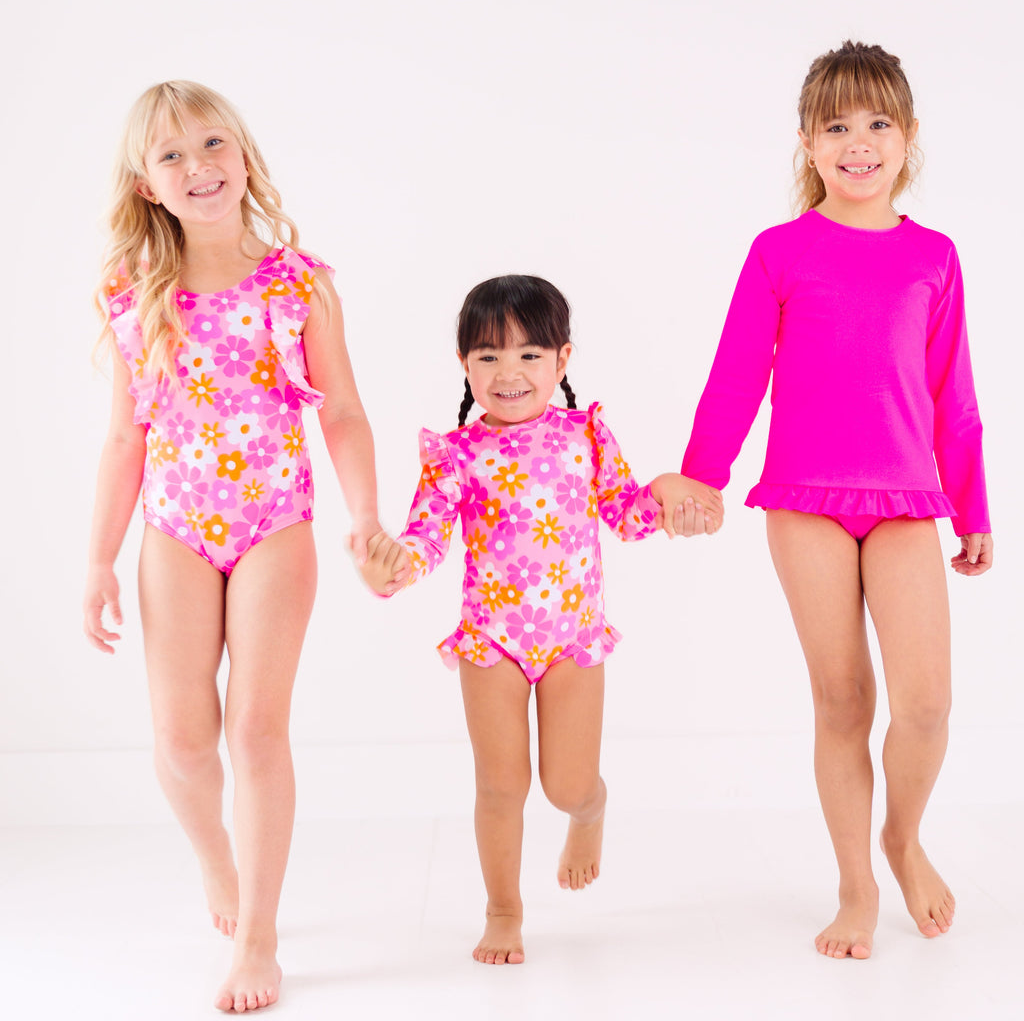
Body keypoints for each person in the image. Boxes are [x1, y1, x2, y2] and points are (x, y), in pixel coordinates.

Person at [663, 41, 993, 960]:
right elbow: (737, 377)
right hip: (804, 499)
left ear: (908, 135)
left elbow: (953, 394)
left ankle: (903, 838)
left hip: (906, 500)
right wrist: (701, 477)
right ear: (808, 143)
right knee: (843, 698)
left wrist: (972, 508)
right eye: (837, 126)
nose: (859, 143)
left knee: (925, 705)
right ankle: (855, 885)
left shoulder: (934, 256)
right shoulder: (780, 252)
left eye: (877, 123)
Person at [82, 81, 385, 1012]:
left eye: (213, 144)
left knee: (255, 728)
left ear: (244, 157)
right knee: (183, 743)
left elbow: (342, 413)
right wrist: (98, 559)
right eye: (172, 156)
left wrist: (364, 517)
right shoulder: (134, 294)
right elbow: (125, 437)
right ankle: (217, 857)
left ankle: (259, 935)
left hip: (274, 526)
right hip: (174, 530)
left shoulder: (299, 283)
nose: (199, 167)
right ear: (147, 185)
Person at [359, 275, 721, 964]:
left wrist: (667, 496)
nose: (510, 373)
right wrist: (395, 566)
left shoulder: (585, 435)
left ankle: (591, 812)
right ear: (465, 365)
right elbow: (426, 537)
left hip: (571, 639)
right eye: (489, 356)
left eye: (530, 354)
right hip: (490, 640)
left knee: (567, 785)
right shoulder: (455, 454)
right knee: (501, 786)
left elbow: (626, 514)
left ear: (562, 359)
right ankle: (503, 908)